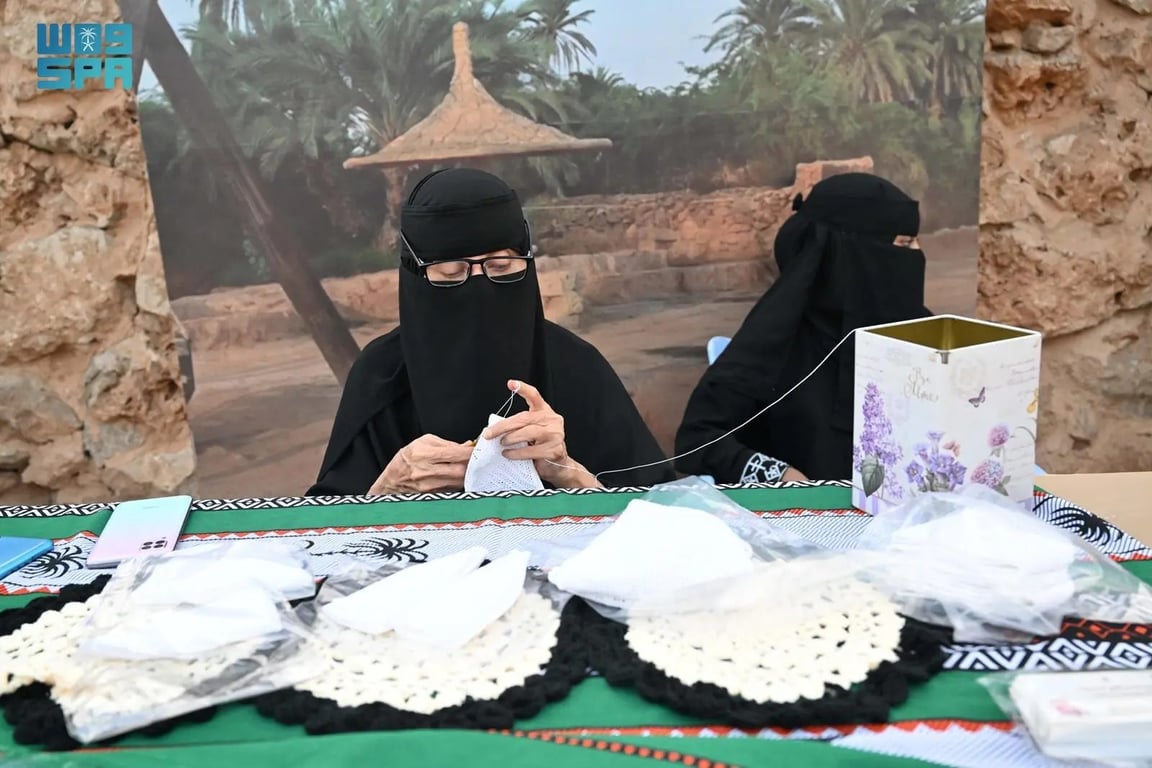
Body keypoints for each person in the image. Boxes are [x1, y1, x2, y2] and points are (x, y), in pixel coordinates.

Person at [309, 167, 673, 496]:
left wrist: (568, 472)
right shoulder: (381, 374)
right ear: (414, 275)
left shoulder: (576, 365)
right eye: (452, 273)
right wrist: (389, 486)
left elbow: (658, 515)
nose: (480, 289)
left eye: (502, 267)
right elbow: (327, 528)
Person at [674, 172, 929, 484]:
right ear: (853, 254)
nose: (916, 254)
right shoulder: (777, 341)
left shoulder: (921, 334)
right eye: (904, 243)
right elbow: (698, 439)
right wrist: (779, 475)